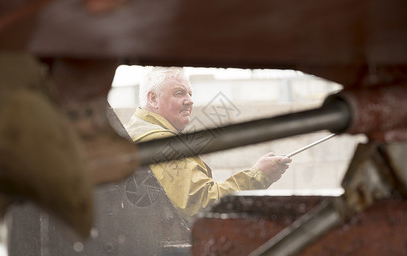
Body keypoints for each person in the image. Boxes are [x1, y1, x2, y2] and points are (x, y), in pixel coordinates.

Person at [124, 67, 291, 221]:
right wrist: (258, 175)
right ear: (153, 99)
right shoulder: (160, 142)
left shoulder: (132, 131)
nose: (189, 101)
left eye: (190, 94)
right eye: (179, 93)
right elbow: (204, 203)